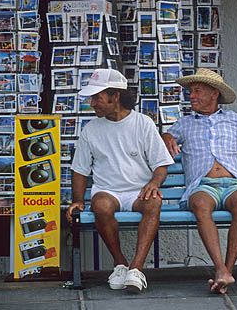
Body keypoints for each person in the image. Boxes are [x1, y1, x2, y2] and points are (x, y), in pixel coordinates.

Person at [66, 69, 174, 293]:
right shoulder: (91, 129)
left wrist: (154, 183)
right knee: (101, 206)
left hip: (139, 191)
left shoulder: (143, 123)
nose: (93, 103)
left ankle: (136, 269)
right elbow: (80, 170)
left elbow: (161, 165)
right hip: (108, 190)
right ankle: (120, 264)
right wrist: (77, 200)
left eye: (97, 97)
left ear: (115, 96)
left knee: (154, 202)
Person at [162, 68, 237, 294]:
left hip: (234, 182)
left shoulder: (234, 119)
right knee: (200, 205)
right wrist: (166, 137)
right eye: (191, 91)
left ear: (214, 94)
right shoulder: (184, 123)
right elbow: (166, 137)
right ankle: (220, 269)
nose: (192, 96)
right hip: (202, 184)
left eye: (197, 91)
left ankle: (228, 269)